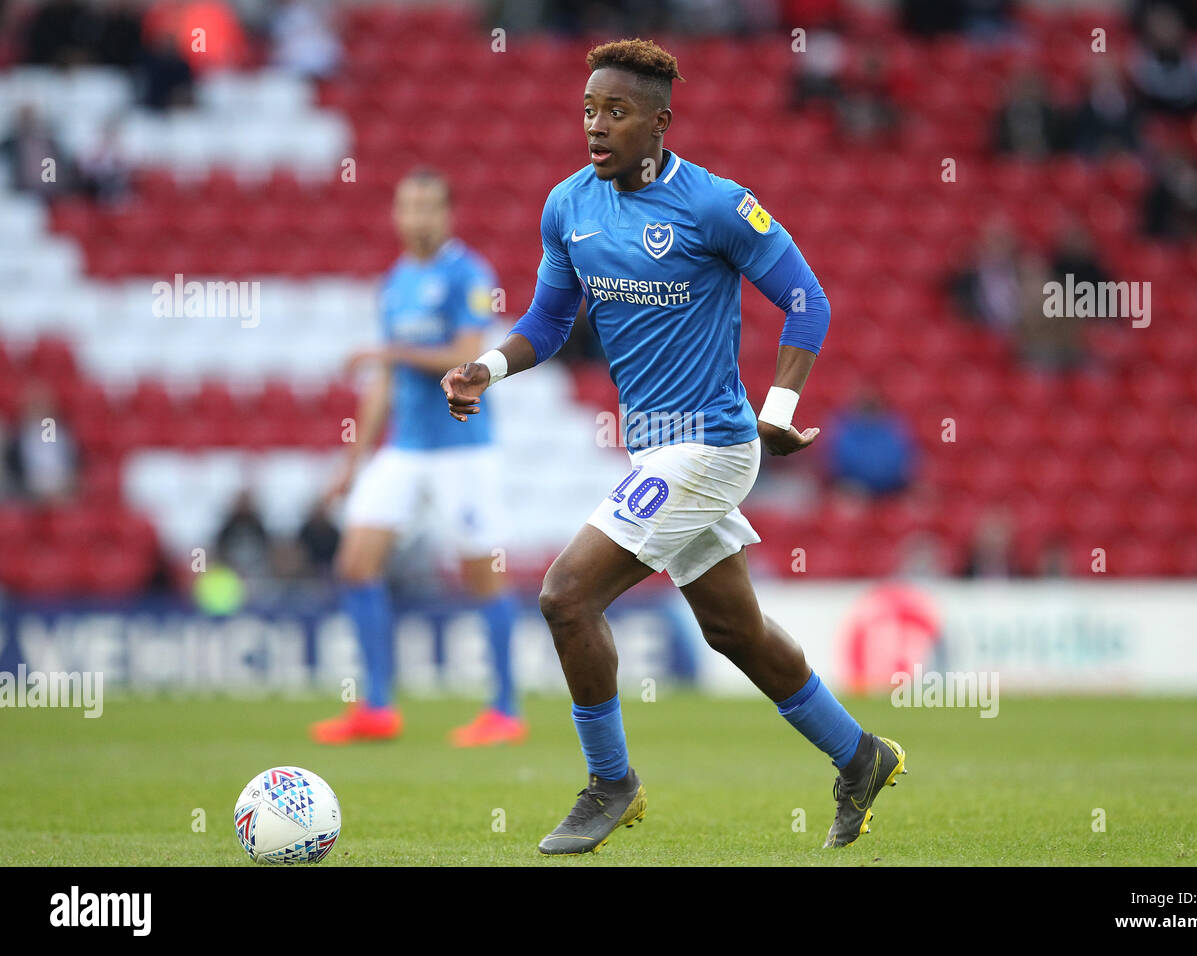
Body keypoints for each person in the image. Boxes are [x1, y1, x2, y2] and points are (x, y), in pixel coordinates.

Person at [440, 39, 906, 855]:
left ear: (660, 122)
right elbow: (549, 324)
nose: (595, 126)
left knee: (565, 596)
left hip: (713, 447)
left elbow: (806, 300)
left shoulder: (718, 206)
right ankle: (859, 753)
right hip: (651, 451)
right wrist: (484, 367)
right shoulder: (568, 207)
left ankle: (611, 783)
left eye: (615, 112)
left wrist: (781, 405)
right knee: (734, 631)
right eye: (588, 110)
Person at [311, 169, 523, 748]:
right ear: (396, 215)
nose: (417, 217)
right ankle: (377, 706)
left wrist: (388, 350)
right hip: (404, 449)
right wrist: (353, 462)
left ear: (447, 214)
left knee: (483, 575)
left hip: (463, 448)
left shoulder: (469, 274)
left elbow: (466, 354)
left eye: (428, 206)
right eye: (408, 206)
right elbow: (383, 382)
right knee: (355, 562)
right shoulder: (396, 282)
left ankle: (505, 710)